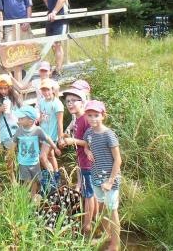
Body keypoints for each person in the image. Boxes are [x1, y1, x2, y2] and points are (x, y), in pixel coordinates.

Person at [83, 100, 122, 251]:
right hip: (96, 176)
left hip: (110, 178)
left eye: (96, 115)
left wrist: (110, 181)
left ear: (103, 116)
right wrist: (87, 151)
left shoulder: (109, 135)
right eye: (90, 115)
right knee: (103, 206)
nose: (93, 119)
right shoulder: (89, 133)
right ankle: (106, 235)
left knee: (112, 210)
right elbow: (86, 145)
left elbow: (118, 159)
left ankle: (115, 244)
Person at [59, 85, 97, 235]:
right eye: (67, 101)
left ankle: (87, 226)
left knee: (88, 195)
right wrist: (69, 138)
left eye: (74, 100)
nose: (70, 104)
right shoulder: (77, 119)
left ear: (82, 102)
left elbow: (91, 143)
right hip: (82, 161)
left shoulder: (86, 119)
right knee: (88, 193)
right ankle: (92, 220)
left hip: (89, 163)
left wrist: (72, 141)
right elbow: (80, 139)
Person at [12, 105, 61, 198]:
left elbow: (47, 138)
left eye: (22, 118)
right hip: (23, 162)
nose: (19, 120)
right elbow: (14, 142)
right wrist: (10, 153)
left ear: (30, 121)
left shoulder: (37, 130)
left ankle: (33, 195)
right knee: (26, 181)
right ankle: (24, 196)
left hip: (34, 162)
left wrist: (55, 147)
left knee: (35, 180)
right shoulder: (19, 131)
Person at [40, 0, 70, 78]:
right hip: (51, 16)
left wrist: (54, 11)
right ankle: (57, 65)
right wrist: (49, 7)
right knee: (50, 44)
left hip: (61, 16)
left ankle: (58, 70)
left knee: (57, 43)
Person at [36, 78, 64, 194]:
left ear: (52, 90)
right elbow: (42, 117)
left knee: (42, 157)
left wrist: (60, 137)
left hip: (51, 135)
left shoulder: (57, 104)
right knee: (51, 156)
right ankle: (57, 177)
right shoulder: (42, 101)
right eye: (43, 90)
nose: (46, 92)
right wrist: (38, 120)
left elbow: (60, 122)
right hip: (43, 133)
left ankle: (52, 181)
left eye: (47, 90)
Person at [0, 74, 22, 157]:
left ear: (10, 87)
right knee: (10, 156)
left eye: (5, 88)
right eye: (0, 88)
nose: (3, 91)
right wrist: (0, 110)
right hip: (6, 131)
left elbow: (22, 110)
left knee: (22, 153)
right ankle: (11, 170)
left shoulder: (15, 95)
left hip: (19, 128)